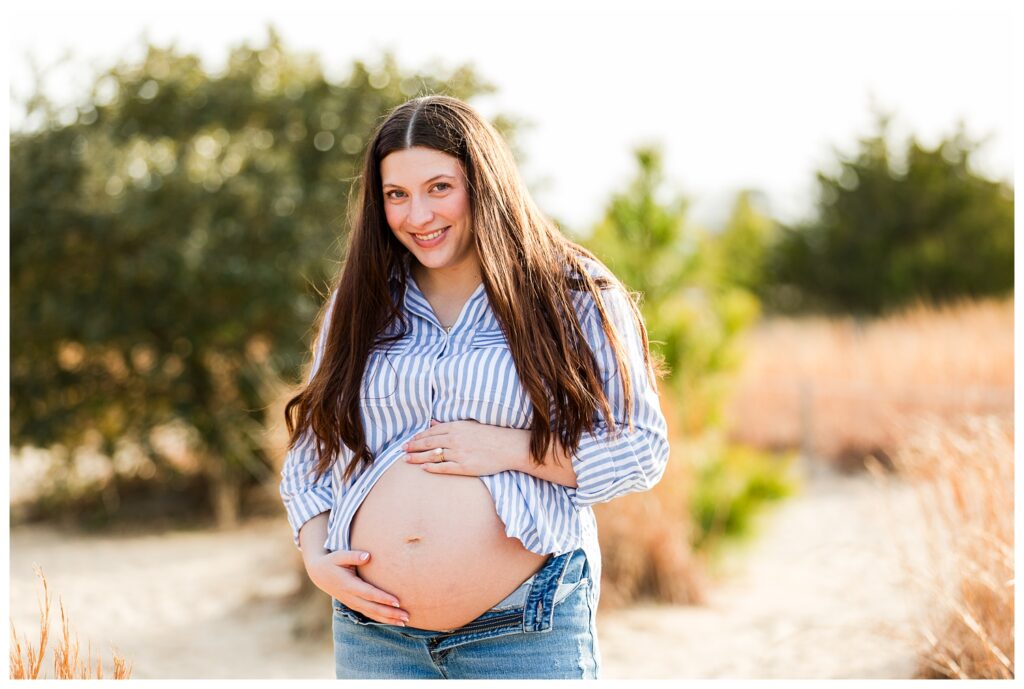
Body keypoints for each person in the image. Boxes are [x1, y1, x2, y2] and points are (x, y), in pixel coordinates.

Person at [279, 94, 670, 679]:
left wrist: (515, 449)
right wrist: (315, 556)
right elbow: (313, 448)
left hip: (523, 629)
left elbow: (643, 448)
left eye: (440, 187)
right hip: (374, 635)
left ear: (484, 183)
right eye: (397, 195)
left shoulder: (573, 295)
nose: (418, 215)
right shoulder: (360, 304)